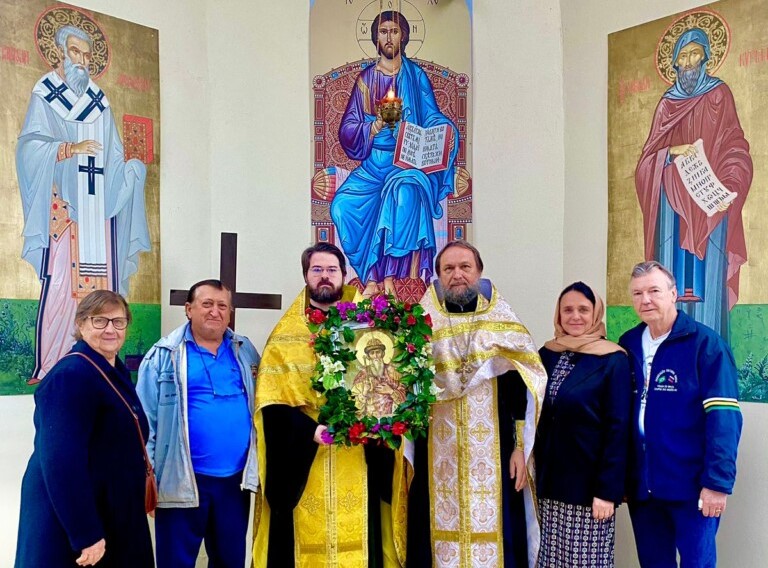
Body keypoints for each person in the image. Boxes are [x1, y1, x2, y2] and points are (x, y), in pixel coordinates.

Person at [252, 242, 408, 567]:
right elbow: (272, 407)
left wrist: (377, 421)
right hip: (304, 458)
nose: (325, 276)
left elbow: (389, 383)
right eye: (317, 270)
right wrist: (313, 431)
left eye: (332, 270)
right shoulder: (285, 336)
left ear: (343, 275)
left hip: (358, 456)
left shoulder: (368, 324)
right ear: (306, 275)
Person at [17, 24, 150, 383]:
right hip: (64, 211)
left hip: (97, 213)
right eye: (76, 53)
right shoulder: (45, 93)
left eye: (88, 55)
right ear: (60, 52)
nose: (83, 62)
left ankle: (101, 364)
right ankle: (53, 363)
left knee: (100, 285)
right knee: (62, 284)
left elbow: (116, 156)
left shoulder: (98, 100)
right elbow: (29, 148)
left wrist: (131, 171)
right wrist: (66, 149)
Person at [409, 241, 548, 567]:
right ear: (439, 276)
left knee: (499, 531)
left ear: (479, 272)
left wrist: (519, 447)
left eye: (464, 267)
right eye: (449, 269)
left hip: (495, 456)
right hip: (437, 454)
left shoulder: (504, 326)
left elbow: (521, 388)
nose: (457, 275)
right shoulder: (420, 328)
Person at [15, 290, 153, 567]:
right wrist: (86, 533)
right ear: (81, 324)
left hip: (110, 508)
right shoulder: (71, 376)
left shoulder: (111, 370)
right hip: (76, 518)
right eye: (99, 321)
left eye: (118, 321)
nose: (111, 329)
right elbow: (61, 462)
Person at [327, 10, 459, 297]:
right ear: (376, 37)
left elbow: (433, 117)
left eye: (394, 31)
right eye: (383, 31)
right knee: (341, 206)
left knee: (404, 192)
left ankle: (392, 277)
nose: (389, 37)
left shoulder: (416, 77)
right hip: (373, 165)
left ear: (404, 37)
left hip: (406, 161)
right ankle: (369, 275)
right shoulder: (366, 79)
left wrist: (445, 133)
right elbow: (348, 128)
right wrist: (373, 126)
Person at [619, 261, 742, 567]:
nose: (645, 299)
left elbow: (724, 420)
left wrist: (717, 484)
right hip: (644, 488)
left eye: (654, 291)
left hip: (692, 487)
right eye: (637, 293)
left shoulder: (706, 345)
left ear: (673, 294)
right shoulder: (628, 344)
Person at [635, 27, 753, 341]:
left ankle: (710, 351)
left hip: (710, 208)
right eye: (682, 56)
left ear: (705, 57)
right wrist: (670, 152)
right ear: (674, 62)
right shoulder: (666, 104)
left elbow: (735, 147)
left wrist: (731, 186)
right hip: (671, 212)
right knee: (670, 280)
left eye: (694, 54)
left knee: (705, 284)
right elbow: (646, 162)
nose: (688, 63)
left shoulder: (718, 94)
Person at [136, 279, 260, 568]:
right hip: (181, 481)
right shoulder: (163, 356)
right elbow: (144, 423)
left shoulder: (245, 351)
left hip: (234, 483)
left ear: (229, 312)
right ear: (188, 309)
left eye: (222, 306)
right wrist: (147, 475)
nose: (215, 311)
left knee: (230, 561)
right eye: (207, 304)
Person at [535, 282, 632, 567]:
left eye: (583, 310)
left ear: (595, 314)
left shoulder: (613, 360)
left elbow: (618, 429)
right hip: (549, 486)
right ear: (558, 315)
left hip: (589, 491)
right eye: (568, 310)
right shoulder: (547, 354)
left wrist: (607, 492)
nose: (575, 316)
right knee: (549, 561)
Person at [351, 337, 406, 417]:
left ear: (383, 354)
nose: (376, 356)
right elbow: (354, 405)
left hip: (391, 416)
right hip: (369, 418)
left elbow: (404, 399)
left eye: (378, 352)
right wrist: (364, 392)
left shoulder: (393, 372)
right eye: (372, 353)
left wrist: (390, 391)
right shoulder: (362, 375)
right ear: (368, 356)